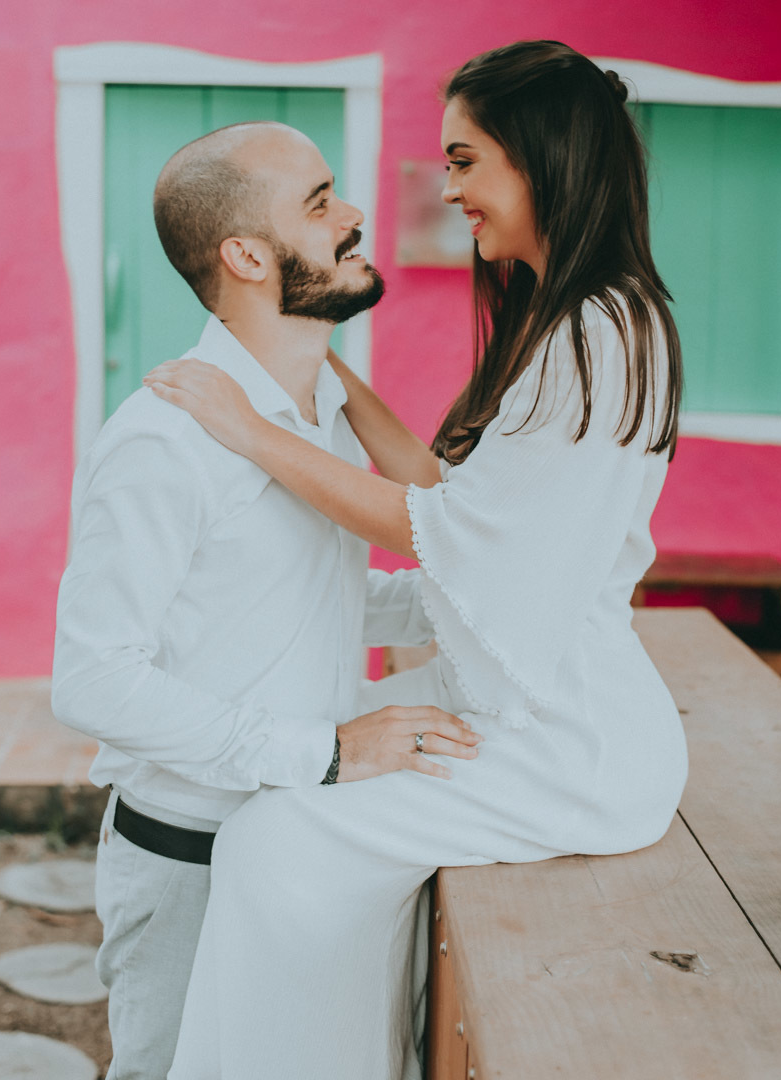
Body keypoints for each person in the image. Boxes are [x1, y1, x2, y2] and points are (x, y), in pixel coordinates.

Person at [150, 40, 689, 1080]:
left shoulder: (598, 333)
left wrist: (250, 429)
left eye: (466, 160)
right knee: (286, 830)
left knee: (278, 845)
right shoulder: (579, 316)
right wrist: (318, 364)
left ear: (542, 159)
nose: (449, 191)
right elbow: (453, 493)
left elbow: (429, 530)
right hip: (530, 704)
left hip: (565, 734)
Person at [51, 121, 482, 1080]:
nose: (357, 215)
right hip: (190, 860)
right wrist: (328, 752)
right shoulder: (163, 440)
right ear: (247, 254)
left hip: (310, 840)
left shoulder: (318, 410)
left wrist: (485, 597)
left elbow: (295, 593)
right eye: (322, 202)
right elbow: (90, 678)